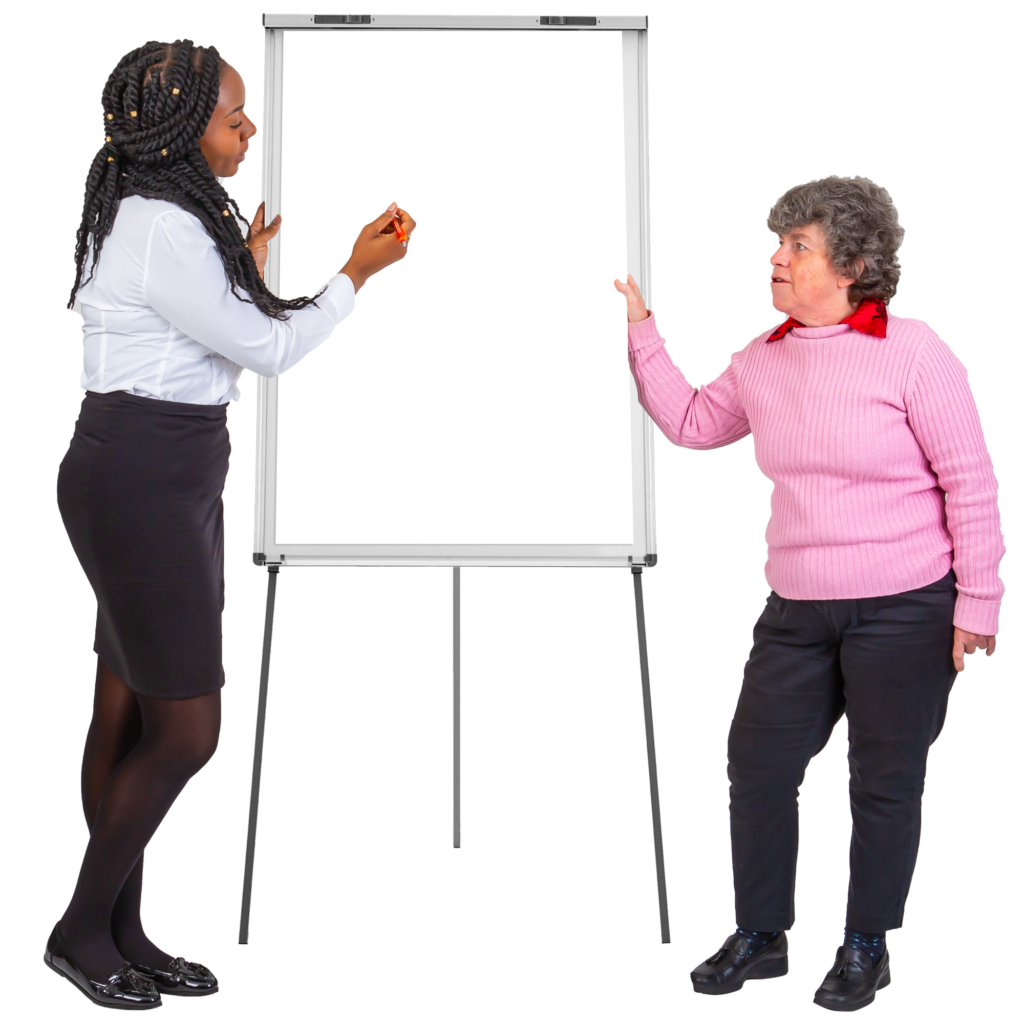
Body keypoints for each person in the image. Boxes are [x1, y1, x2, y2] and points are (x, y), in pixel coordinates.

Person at [48, 37, 645, 1010]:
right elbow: (267, 350)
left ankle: (121, 928)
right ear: (172, 122)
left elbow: (206, 334)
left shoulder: (176, 214)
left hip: (157, 465)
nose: (251, 127)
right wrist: (357, 272)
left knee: (127, 700)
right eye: (234, 113)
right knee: (188, 728)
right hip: (143, 474)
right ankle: (80, 929)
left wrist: (240, 265)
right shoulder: (162, 222)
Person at [622, 175, 1003, 1011]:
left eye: (798, 245)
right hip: (795, 610)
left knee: (883, 778)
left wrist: (979, 603)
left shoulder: (916, 352)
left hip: (906, 607)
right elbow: (691, 424)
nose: (777, 257)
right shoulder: (763, 358)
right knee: (756, 761)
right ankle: (761, 936)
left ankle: (866, 944)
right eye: (780, 241)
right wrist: (643, 335)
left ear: (855, 264)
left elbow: (970, 483)